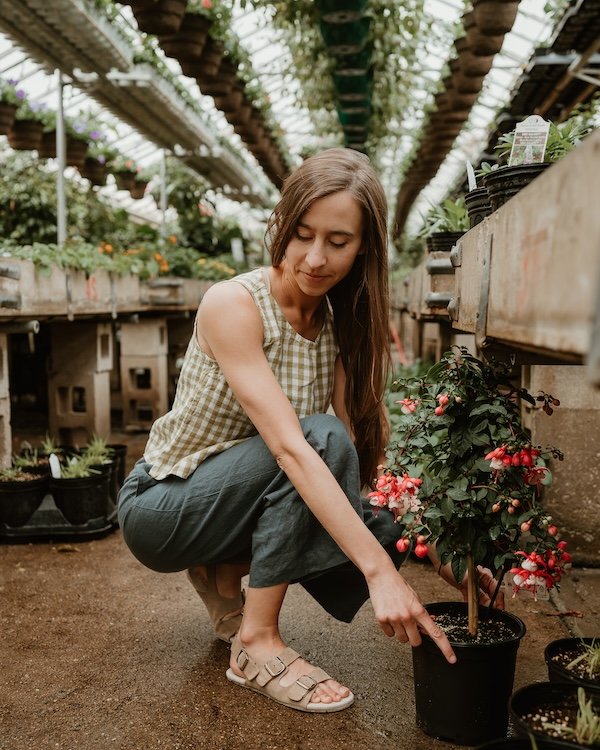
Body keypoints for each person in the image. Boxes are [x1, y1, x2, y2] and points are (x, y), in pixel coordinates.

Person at [117, 147, 501, 714]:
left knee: (351, 477)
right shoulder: (235, 304)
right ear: (282, 225)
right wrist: (378, 574)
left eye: (338, 241)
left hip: (234, 499)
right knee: (317, 441)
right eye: (301, 234)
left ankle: (222, 570)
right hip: (163, 505)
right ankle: (255, 643)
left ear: (365, 246)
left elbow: (356, 473)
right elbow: (293, 450)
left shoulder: (341, 324)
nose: (316, 257)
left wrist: (434, 546)